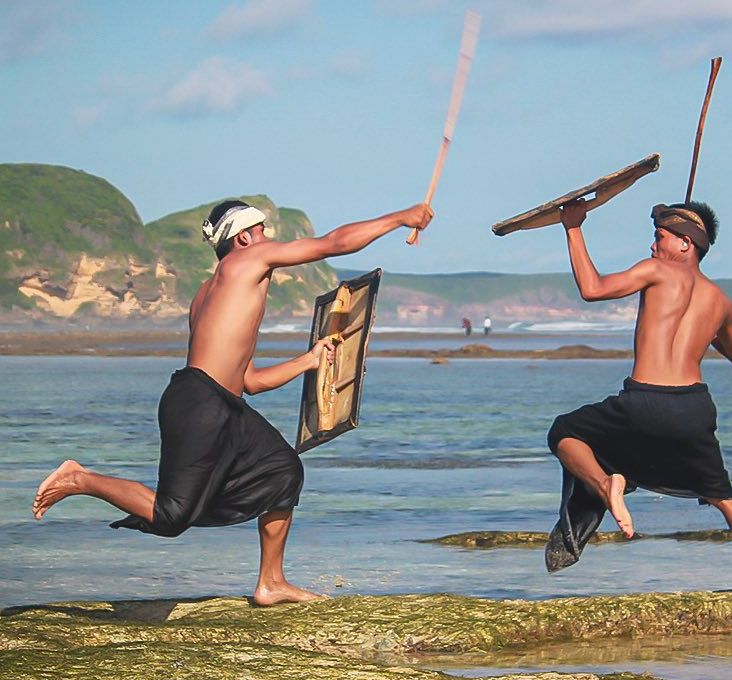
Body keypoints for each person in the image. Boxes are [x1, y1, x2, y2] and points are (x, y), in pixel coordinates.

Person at [33, 199, 434, 605]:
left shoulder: (209, 293)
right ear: (244, 237)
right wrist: (400, 218)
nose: (268, 239)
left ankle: (271, 583)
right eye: (262, 231)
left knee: (282, 472)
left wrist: (308, 362)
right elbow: (333, 243)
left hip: (218, 402)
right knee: (172, 516)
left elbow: (249, 381)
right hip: (201, 403)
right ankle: (79, 478)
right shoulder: (247, 261)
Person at [545, 199, 732, 598]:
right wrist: (706, 326)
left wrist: (573, 228)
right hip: (694, 408)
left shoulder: (656, 271)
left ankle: (607, 483)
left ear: (685, 244)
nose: (652, 246)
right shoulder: (722, 302)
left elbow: (592, 289)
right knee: (724, 496)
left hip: (645, 400)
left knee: (565, 432)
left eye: (659, 236)